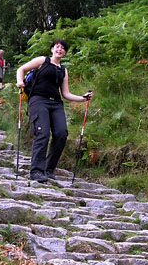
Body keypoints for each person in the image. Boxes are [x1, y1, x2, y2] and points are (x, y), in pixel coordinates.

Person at [16, 39, 92, 183]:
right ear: (52, 49)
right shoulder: (42, 61)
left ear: (64, 52)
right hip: (38, 100)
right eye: (57, 47)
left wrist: (83, 98)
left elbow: (66, 93)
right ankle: (36, 171)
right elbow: (21, 69)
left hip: (56, 103)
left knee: (61, 134)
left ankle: (49, 169)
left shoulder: (63, 70)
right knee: (42, 132)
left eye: (63, 48)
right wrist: (20, 82)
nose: (60, 49)